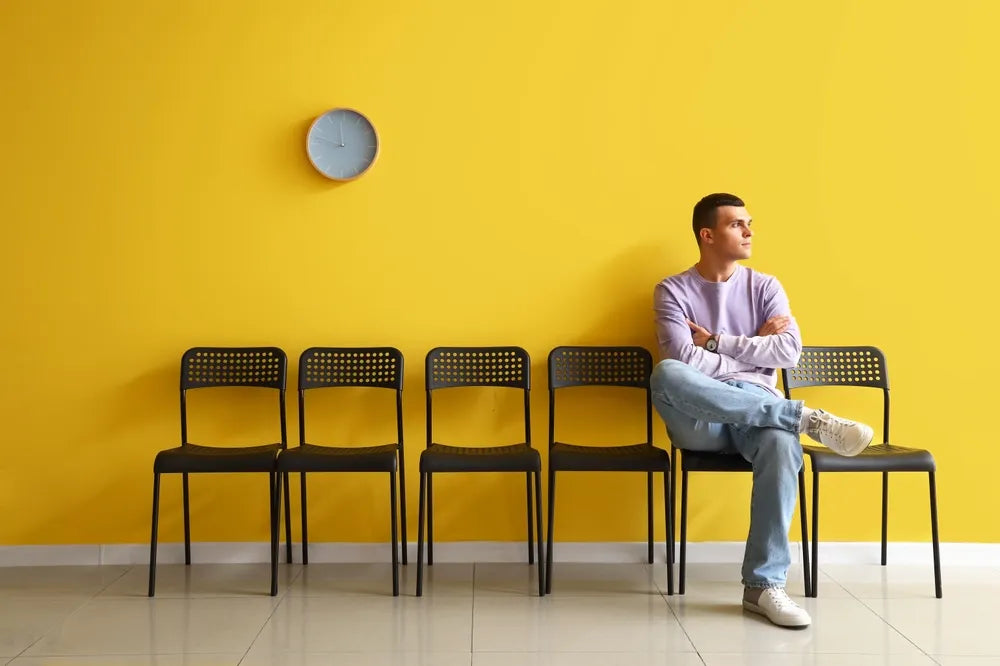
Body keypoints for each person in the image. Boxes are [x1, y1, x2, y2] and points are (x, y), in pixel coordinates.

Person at [650, 192, 874, 628]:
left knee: (783, 445)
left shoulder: (766, 286)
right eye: (737, 224)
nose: (749, 231)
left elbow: (788, 351)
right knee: (666, 374)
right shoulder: (672, 291)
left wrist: (716, 342)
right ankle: (804, 417)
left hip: (760, 412)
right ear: (707, 235)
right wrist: (755, 348)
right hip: (703, 419)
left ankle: (763, 586)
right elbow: (683, 359)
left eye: (749, 223)